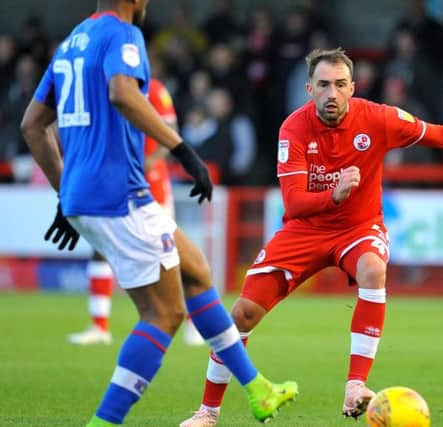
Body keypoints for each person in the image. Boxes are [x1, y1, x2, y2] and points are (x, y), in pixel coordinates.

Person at [180, 47, 443, 427]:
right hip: (304, 230)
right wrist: (334, 193)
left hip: (358, 228)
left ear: (353, 88)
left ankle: (356, 385)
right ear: (309, 88)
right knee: (241, 314)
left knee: (373, 268)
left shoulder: (379, 117)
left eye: (341, 85)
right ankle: (207, 412)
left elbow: (440, 135)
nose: (332, 94)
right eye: (323, 85)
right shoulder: (293, 127)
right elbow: (293, 202)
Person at [20, 1, 297, 426]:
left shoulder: (73, 40)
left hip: (91, 194)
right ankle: (104, 421)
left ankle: (257, 389)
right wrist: (184, 150)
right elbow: (123, 93)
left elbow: (32, 125)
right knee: (163, 314)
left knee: (196, 271)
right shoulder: (122, 34)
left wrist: (65, 190)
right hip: (120, 193)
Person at [67, 77, 204, 346]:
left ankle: (194, 325)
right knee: (100, 248)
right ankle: (99, 326)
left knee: (171, 254)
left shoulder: (154, 89)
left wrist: (147, 164)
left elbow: (170, 134)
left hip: (149, 184)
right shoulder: (105, 88)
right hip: (113, 183)